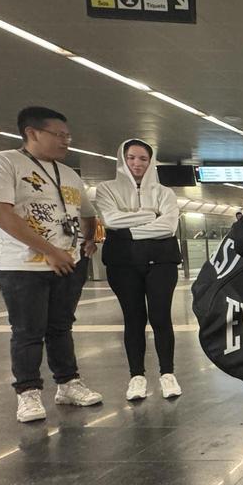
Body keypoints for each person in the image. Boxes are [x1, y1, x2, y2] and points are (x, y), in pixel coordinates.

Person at [0, 106, 102, 422]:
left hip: (68, 263)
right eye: (59, 135)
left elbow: (87, 213)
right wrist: (49, 251)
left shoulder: (69, 173)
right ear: (32, 132)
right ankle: (28, 392)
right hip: (22, 267)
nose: (66, 141)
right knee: (28, 331)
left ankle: (68, 383)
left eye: (68, 136)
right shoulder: (1, 163)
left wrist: (89, 240)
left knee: (61, 327)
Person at [94, 139, 183, 401]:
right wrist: (150, 216)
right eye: (131, 157)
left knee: (160, 316)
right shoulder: (106, 189)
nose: (137, 163)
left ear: (150, 161)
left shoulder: (164, 192)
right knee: (133, 318)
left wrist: (127, 232)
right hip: (123, 264)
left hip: (162, 262)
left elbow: (168, 227)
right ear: (123, 159)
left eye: (143, 158)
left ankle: (167, 373)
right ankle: (137, 376)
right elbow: (110, 220)